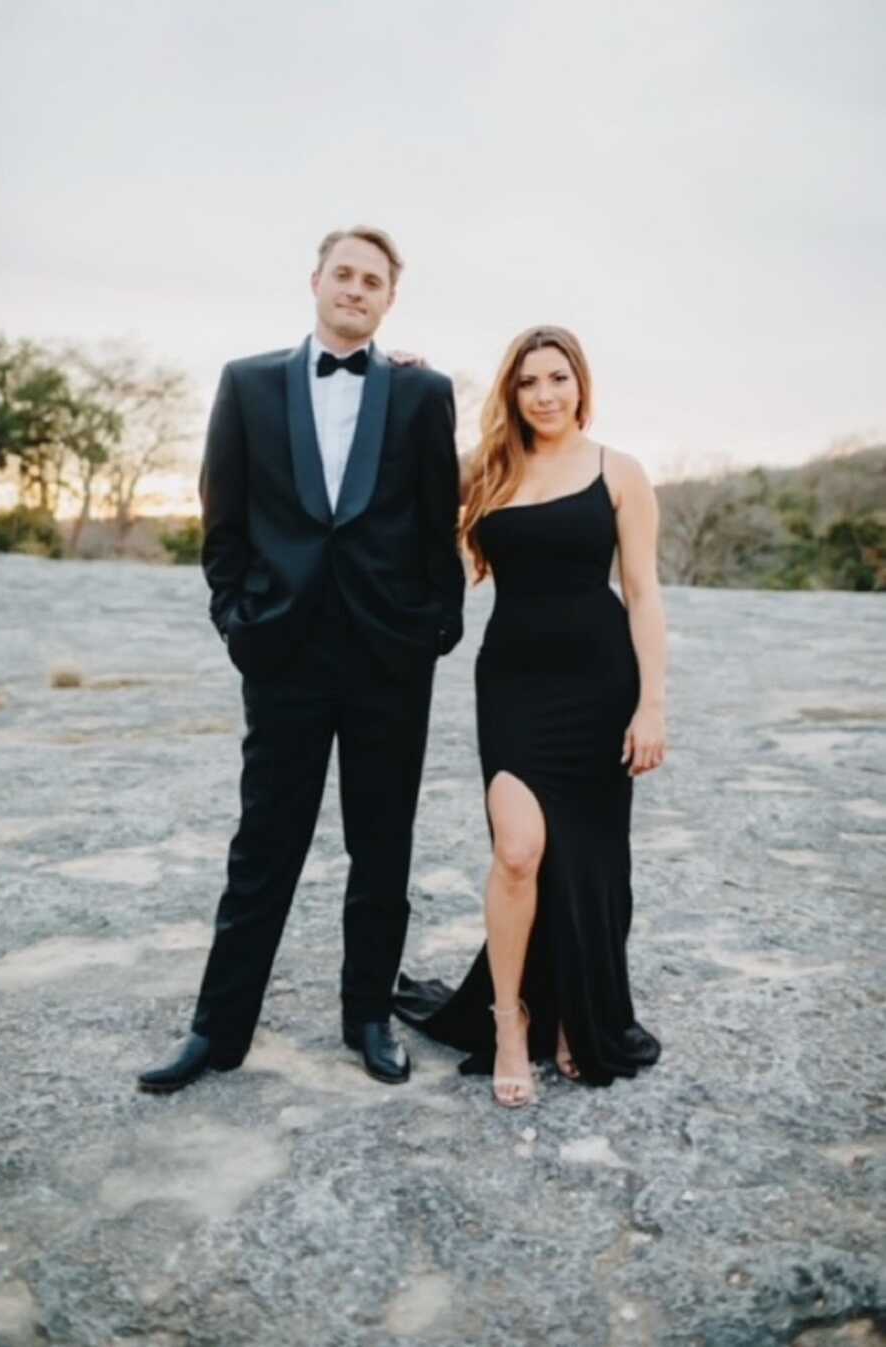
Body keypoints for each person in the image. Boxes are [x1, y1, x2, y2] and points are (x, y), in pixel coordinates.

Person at [138, 226, 465, 1093]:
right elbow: (224, 519)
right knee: (264, 843)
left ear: (390, 300)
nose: (356, 289)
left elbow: (440, 520)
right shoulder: (245, 383)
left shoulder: (425, 391)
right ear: (315, 280)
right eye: (344, 274)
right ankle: (218, 1030)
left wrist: (434, 625)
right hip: (282, 650)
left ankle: (366, 1016)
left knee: (382, 844)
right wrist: (236, 619)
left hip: (389, 657)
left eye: (374, 281)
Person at [395, 325, 665, 1107]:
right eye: (529, 382)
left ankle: (578, 1016)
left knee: (587, 858)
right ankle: (510, 1020)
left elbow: (643, 591)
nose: (546, 394)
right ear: (511, 393)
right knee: (518, 851)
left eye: (559, 378)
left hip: (601, 682)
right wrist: (405, 380)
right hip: (513, 682)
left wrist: (652, 702)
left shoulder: (621, 471)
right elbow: (403, 480)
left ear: (581, 384)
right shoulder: (488, 470)